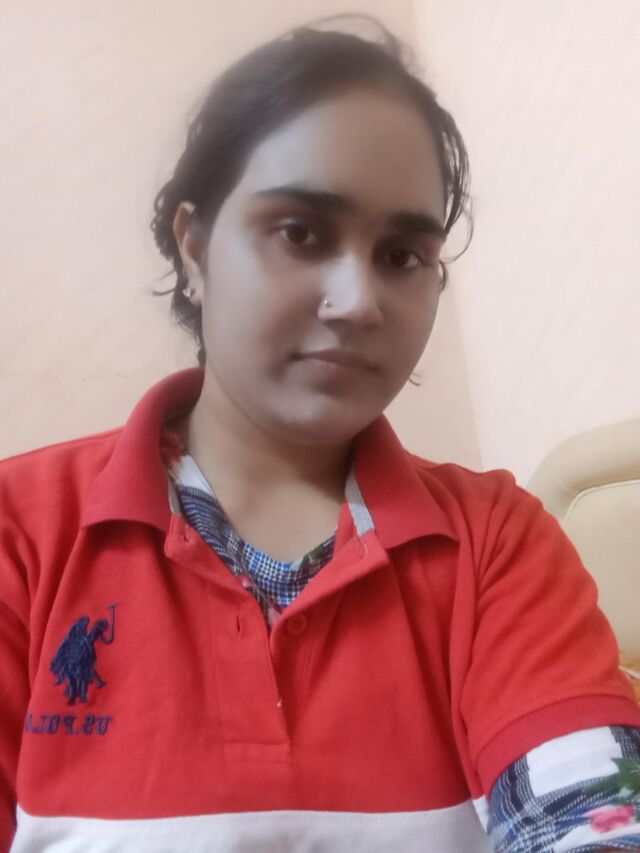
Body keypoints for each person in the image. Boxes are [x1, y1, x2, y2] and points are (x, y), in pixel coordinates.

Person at [1, 16, 639, 853]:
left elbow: (592, 822)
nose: (358, 301)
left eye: (402, 255)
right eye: (301, 233)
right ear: (194, 248)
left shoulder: (496, 541)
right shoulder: (21, 531)